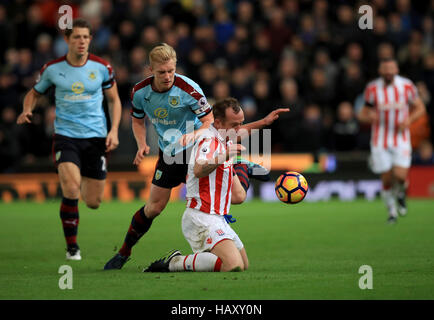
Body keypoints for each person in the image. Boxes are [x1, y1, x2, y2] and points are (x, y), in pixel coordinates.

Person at [104, 43, 288, 269]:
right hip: (171, 154)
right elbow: (137, 120)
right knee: (154, 208)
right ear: (150, 69)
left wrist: (193, 135)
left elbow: (211, 123)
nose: (168, 76)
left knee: (238, 197)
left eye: (171, 70)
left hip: (197, 148)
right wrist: (141, 143)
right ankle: (124, 252)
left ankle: (237, 166)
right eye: (162, 72)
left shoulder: (189, 88)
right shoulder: (140, 92)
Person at [17, 18, 122, 260]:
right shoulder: (52, 69)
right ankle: (72, 247)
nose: (82, 41)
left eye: (86, 37)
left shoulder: (102, 67)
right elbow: (33, 94)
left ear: (90, 39)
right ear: (66, 40)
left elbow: (114, 100)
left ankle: (80, 184)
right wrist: (27, 109)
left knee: (93, 201)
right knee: (71, 188)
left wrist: (114, 130)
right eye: (76, 37)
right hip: (66, 137)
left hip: (96, 138)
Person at [144, 97, 250, 273]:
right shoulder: (208, 140)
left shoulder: (226, 141)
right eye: (234, 125)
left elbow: (238, 197)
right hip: (201, 216)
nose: (239, 130)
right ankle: (175, 262)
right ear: (218, 122)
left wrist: (244, 170)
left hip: (219, 218)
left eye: (241, 124)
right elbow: (199, 170)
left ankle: (206, 257)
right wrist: (224, 157)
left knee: (244, 265)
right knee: (233, 266)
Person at [358, 58, 426, 224]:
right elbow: (362, 113)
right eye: (385, 68)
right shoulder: (372, 88)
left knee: (400, 176)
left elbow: (420, 108)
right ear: (380, 71)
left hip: (400, 137)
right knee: (387, 178)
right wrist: (369, 116)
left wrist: (408, 121)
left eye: (391, 68)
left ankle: (401, 193)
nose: (388, 71)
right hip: (379, 139)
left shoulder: (407, 86)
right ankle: (392, 212)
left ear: (396, 70)